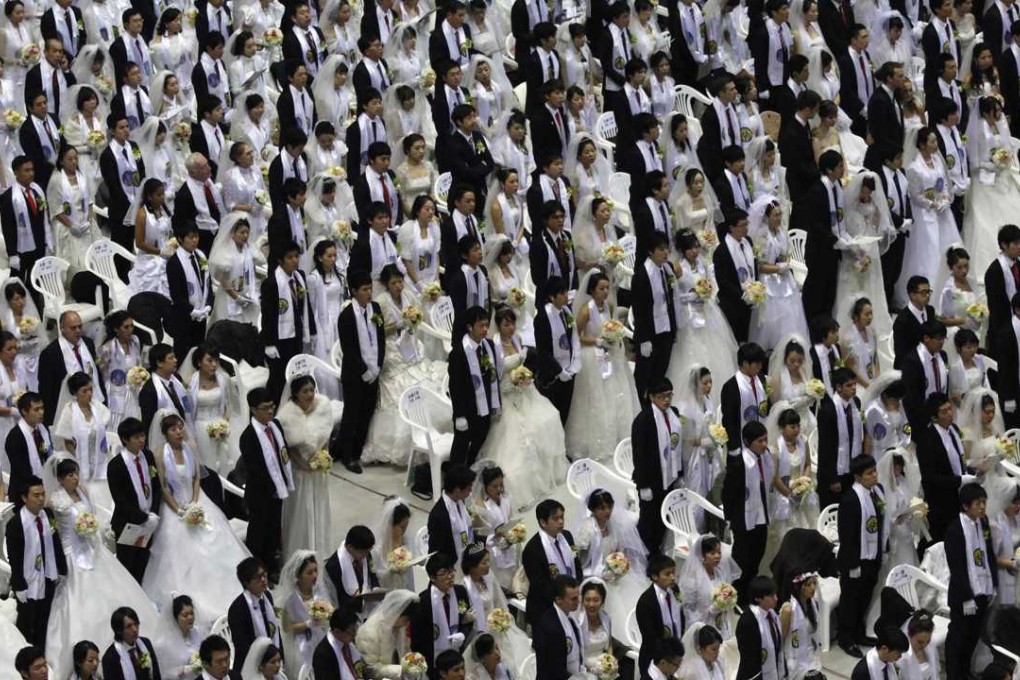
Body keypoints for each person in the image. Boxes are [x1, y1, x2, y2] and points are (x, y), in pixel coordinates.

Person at [143, 409, 250, 622]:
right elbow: (163, 488)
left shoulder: (190, 447)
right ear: (165, 433)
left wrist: (194, 502)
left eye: (180, 427)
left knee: (215, 540)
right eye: (173, 429)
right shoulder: (158, 454)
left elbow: (196, 478)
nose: (178, 432)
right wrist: (180, 510)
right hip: (174, 506)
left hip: (196, 500)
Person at [479, 307, 568, 508]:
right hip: (507, 394)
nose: (510, 328)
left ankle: (547, 473)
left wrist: (524, 377)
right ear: (499, 326)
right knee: (521, 436)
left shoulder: (517, 339)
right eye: (506, 324)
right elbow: (496, 376)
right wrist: (512, 381)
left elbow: (522, 363)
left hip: (524, 391)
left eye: (512, 323)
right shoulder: (494, 345)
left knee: (550, 417)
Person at [276, 375, 334, 558]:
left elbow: (325, 436)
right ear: (295, 394)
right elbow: (288, 448)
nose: (310, 394)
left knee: (319, 507)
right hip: (300, 470)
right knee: (302, 511)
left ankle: (320, 548)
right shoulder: (287, 415)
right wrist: (304, 465)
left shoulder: (323, 406)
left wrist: (323, 457)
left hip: (318, 471)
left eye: (312, 390)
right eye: (305, 391)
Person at [239, 388, 294, 577]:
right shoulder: (248, 437)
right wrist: (273, 487)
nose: (270, 411)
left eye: (272, 406)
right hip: (260, 494)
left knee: (273, 530)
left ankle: (270, 566)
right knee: (258, 534)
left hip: (277, 489)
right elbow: (255, 470)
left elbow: (282, 453)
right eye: (265, 408)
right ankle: (256, 570)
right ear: (254, 410)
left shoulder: (275, 426)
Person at [944, 483, 997, 680]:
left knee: (972, 637)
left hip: (983, 589)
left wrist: (994, 585)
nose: (982, 507)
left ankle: (964, 672)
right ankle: (953, 675)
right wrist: (966, 597)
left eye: (984, 502)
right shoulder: (955, 530)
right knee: (958, 638)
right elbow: (956, 567)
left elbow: (987, 553)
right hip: (964, 595)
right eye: (978, 503)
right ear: (966, 506)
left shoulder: (982, 522)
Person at [837, 454, 888, 658]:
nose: (874, 475)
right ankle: (845, 638)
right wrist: (852, 565)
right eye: (869, 473)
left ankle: (859, 633)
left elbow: (883, 522)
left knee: (864, 598)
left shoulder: (877, 492)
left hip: (872, 556)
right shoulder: (850, 499)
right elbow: (846, 535)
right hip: (855, 560)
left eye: (875, 471)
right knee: (850, 601)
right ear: (858, 477)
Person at [6, 475, 66, 648]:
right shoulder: (16, 524)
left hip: (47, 576)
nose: (41, 499)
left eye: (43, 494)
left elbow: (55, 543)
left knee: (43, 622)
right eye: (36, 495)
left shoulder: (47, 515)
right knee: (26, 624)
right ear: (25, 498)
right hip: (28, 581)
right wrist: (19, 585)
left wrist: (61, 569)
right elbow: (15, 558)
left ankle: (40, 654)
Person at [334, 270, 385, 474]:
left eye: (370, 288)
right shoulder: (346, 316)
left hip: (374, 371)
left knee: (366, 414)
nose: (369, 293)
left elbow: (380, 339)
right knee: (352, 415)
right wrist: (363, 370)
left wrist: (377, 365)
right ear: (354, 291)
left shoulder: (376, 309)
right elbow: (349, 348)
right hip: (354, 374)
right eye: (364, 289)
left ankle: (357, 451)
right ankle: (347, 455)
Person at [722, 421, 773, 605]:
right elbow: (728, 493)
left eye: (765, 440)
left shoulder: (765, 458)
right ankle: (738, 597)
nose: (764, 444)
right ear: (747, 441)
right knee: (742, 562)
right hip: (744, 520)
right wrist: (730, 518)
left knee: (756, 558)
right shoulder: (739, 464)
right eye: (760, 441)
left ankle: (752, 595)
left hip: (761, 517)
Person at [631, 377, 684, 553]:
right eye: (662, 396)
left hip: (668, 477)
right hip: (651, 480)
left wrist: (679, 473)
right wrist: (644, 485)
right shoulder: (643, 420)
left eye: (670, 395)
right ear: (652, 397)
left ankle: (658, 551)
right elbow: (639, 456)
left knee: (664, 518)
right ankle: (645, 554)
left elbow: (677, 445)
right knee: (649, 521)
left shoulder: (673, 414)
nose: (667, 400)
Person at [107, 417, 161, 583]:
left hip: (149, 521)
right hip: (128, 524)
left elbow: (155, 485)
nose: (142, 440)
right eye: (137, 437)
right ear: (125, 439)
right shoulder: (116, 465)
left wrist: (153, 513)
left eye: (143, 436)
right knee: (128, 568)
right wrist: (142, 517)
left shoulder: (147, 456)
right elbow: (120, 499)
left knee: (142, 565)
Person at [260, 240, 317, 401]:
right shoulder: (271, 283)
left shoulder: (299, 277)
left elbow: (307, 307)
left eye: (296, 256)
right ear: (280, 260)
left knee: (296, 376)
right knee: (278, 379)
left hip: (296, 334)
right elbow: (268, 315)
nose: (294, 261)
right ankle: (273, 408)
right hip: (279, 338)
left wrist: (311, 330)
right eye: (290, 257)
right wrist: (269, 343)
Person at [918, 394, 974, 543]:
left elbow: (958, 457)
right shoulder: (927, 440)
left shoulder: (953, 429)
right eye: (944, 412)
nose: (950, 414)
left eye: (950, 409)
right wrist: (959, 480)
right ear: (934, 417)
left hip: (959, 496)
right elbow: (930, 478)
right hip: (941, 503)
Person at [409, 553, 473, 678]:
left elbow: (468, 620)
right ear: (432, 578)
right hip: (433, 661)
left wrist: (463, 634)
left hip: (458, 655)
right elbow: (417, 638)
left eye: (451, 571)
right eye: (444, 573)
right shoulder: (423, 601)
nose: (450, 576)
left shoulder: (460, 592)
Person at [632, 232, 678, 404]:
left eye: (667, 249)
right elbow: (639, 310)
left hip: (665, 329)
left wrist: (673, 328)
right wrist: (643, 339)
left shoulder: (667, 270)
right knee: (644, 375)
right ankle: (641, 405)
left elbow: (670, 301)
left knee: (660, 372)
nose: (665, 253)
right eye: (661, 249)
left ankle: (657, 403)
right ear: (651, 251)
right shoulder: (642, 276)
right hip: (650, 334)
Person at [522, 499, 583, 627]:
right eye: (555, 518)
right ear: (543, 522)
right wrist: (563, 599)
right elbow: (539, 585)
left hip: (571, 599)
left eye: (562, 517)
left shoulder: (567, 536)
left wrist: (576, 588)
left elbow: (576, 564)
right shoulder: (532, 549)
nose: (561, 522)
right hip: (546, 609)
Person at [38, 310, 104, 426]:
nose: (78, 331)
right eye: (73, 328)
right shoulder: (51, 353)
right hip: (67, 411)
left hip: (93, 404)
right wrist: (52, 419)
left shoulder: (88, 344)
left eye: (80, 327)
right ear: (62, 328)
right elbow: (46, 390)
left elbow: (96, 373)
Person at [817, 367, 866, 510]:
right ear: (838, 388)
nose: (854, 388)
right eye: (849, 385)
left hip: (851, 468)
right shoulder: (828, 409)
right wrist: (833, 477)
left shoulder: (855, 403)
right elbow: (826, 447)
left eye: (854, 384)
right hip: (834, 471)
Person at [277, 550, 332, 677]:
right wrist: (308, 624)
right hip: (299, 644)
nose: (314, 576)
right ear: (298, 575)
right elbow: (286, 628)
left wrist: (323, 616)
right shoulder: (290, 599)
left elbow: (328, 618)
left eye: (315, 571)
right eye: (309, 572)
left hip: (320, 638)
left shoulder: (319, 591)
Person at [166, 222, 214, 361]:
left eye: (196, 236)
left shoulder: (200, 256)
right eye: (191, 237)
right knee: (183, 352)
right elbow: (176, 294)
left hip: (201, 314)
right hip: (184, 317)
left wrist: (208, 304)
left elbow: (207, 283)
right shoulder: (174, 262)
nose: (195, 240)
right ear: (180, 239)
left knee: (198, 350)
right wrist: (192, 310)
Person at [228, 557, 285, 673]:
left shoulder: (267, 596)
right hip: (248, 667)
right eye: (258, 577)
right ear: (246, 582)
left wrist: (280, 657)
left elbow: (274, 629)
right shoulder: (237, 609)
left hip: (271, 663)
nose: (263, 580)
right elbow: (242, 647)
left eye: (264, 574)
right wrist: (263, 664)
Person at [634, 553, 685, 673]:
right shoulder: (646, 602)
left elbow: (680, 618)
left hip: (675, 654)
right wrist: (668, 658)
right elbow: (650, 638)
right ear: (655, 576)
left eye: (673, 573)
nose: (672, 577)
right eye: (667, 574)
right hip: (655, 658)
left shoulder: (674, 590)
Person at [5, 392, 54, 506]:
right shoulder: (15, 437)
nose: (41, 412)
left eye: (42, 408)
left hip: (44, 485)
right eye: (36, 410)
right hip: (24, 493)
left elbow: (45, 451)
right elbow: (20, 469)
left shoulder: (42, 429)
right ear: (24, 411)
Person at [356, 589, 418, 678]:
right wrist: (402, 669)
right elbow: (371, 669)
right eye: (407, 619)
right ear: (397, 613)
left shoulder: (399, 625)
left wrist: (412, 661)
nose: (407, 623)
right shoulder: (369, 632)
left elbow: (405, 651)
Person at [532, 575, 583, 680]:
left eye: (578, 597)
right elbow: (553, 669)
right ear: (559, 599)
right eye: (573, 599)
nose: (578, 602)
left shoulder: (570, 617)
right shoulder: (550, 627)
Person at [428, 466, 477, 571]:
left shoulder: (459, 501)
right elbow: (436, 550)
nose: (470, 491)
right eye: (469, 487)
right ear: (457, 489)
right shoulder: (439, 515)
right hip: (450, 566)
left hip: (466, 557)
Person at [325, 525, 381, 615]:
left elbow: (372, 573)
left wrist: (376, 588)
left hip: (368, 606)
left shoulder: (365, 552)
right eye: (363, 552)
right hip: (348, 612)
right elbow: (335, 596)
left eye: (368, 551)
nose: (366, 555)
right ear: (350, 547)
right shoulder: (334, 565)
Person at [734, 576, 783, 680]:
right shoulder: (748, 621)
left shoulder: (772, 613)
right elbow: (748, 658)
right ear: (757, 598)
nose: (776, 599)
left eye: (775, 594)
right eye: (771, 596)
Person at [137, 343, 190, 433]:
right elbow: (148, 424)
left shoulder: (176, 378)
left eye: (175, 357)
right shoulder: (149, 390)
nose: (175, 360)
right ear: (159, 363)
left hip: (184, 431)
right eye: (171, 358)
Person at [100, 607, 163, 680]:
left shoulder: (145, 643)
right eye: (129, 626)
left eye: (136, 624)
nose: (135, 629)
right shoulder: (110, 657)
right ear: (119, 630)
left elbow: (156, 673)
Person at [779, 571, 821, 677]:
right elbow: (780, 639)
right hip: (793, 657)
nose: (813, 588)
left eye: (814, 583)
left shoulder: (813, 604)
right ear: (799, 587)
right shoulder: (789, 610)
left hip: (810, 654)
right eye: (808, 585)